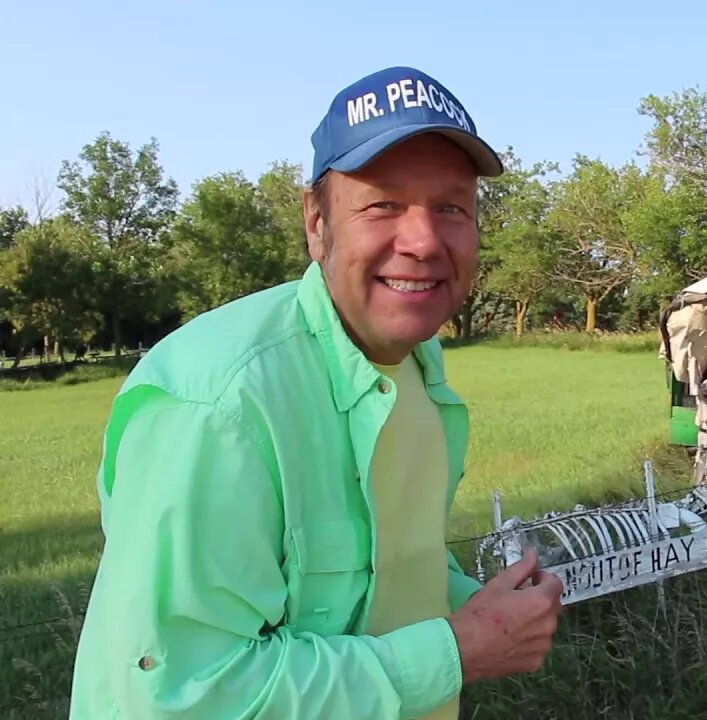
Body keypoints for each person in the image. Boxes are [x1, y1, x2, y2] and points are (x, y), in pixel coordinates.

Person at [69, 66, 564, 720]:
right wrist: (458, 650)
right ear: (318, 222)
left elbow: (372, 570)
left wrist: (477, 607)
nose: (422, 241)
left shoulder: (418, 363)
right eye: (384, 204)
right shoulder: (221, 406)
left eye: (450, 207)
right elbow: (186, 691)